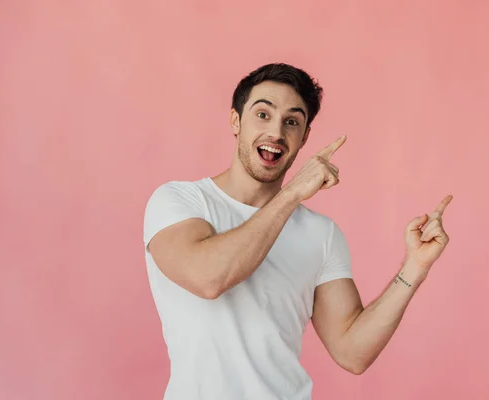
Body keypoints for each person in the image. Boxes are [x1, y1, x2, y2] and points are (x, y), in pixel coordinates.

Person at [143, 62, 453, 400]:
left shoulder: (320, 233)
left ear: (304, 137)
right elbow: (209, 278)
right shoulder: (180, 201)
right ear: (236, 121)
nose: (276, 133)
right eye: (263, 114)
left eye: (291, 122)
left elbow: (352, 352)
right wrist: (292, 193)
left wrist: (415, 268)